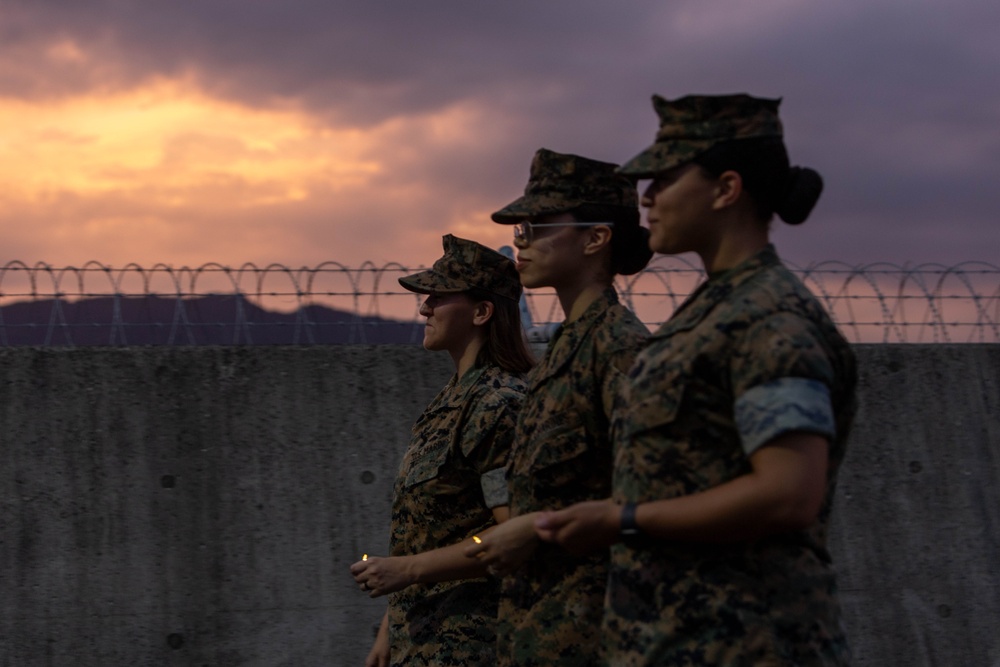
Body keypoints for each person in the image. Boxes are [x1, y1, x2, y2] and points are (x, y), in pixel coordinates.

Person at [534, 94, 858, 665]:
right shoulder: (713, 311)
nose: (648, 198)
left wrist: (621, 519)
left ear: (726, 189)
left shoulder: (768, 319)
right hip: (680, 639)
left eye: (664, 179)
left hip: (747, 641)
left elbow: (788, 494)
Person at [464, 148, 653, 666]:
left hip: (597, 635)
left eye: (539, 226)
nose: (521, 241)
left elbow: (652, 501)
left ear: (596, 238)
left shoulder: (618, 349)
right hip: (539, 633)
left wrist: (536, 528)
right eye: (519, 229)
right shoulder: (558, 357)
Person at [350, 234, 534, 666]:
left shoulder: (496, 405)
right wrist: (389, 627)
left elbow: (512, 535)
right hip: (420, 636)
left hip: (469, 642)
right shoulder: (451, 401)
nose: (424, 308)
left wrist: (408, 571)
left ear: (482, 312)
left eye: (438, 297)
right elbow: (428, 531)